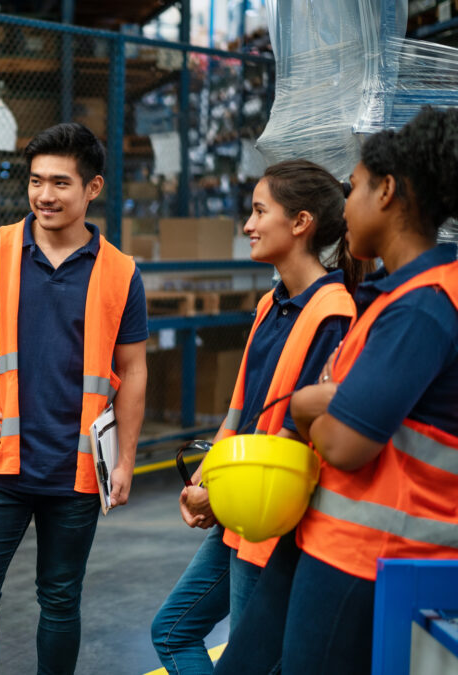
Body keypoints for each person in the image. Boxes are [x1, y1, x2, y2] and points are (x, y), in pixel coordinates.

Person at [213, 107, 458, 675]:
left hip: (370, 554)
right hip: (324, 536)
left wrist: (305, 406)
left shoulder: (424, 307)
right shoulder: (391, 298)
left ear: (388, 192)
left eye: (354, 188)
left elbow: (345, 442)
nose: (343, 207)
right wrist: (319, 405)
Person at [0, 122, 148, 674]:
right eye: (37, 181)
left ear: (92, 189)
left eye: (61, 183)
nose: (45, 195)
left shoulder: (120, 273)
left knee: (61, 602)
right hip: (0, 465)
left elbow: (133, 369)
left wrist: (127, 459)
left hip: (77, 471)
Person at [151, 160, 363, 674]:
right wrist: (206, 480)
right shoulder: (272, 304)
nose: (247, 224)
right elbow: (239, 412)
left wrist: (224, 496)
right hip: (241, 507)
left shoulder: (333, 316)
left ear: (300, 223)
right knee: (172, 631)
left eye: (259, 211)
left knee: (249, 663)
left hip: (275, 516)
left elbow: (304, 443)